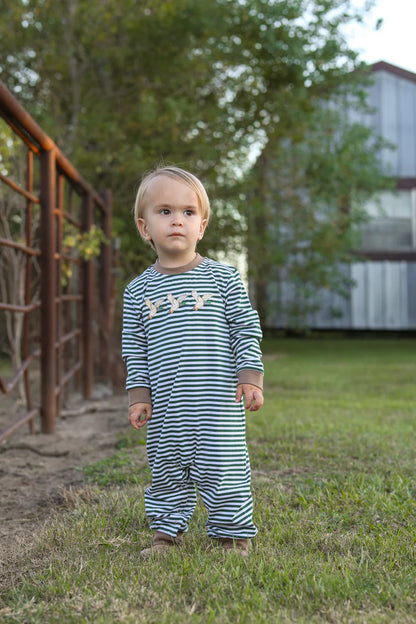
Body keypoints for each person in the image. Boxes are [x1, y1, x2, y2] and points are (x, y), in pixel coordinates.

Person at [122, 165, 264, 557]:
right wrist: (139, 395)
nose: (177, 220)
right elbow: (134, 348)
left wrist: (250, 376)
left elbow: (245, 329)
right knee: (166, 471)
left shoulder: (224, 278)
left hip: (217, 405)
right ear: (145, 227)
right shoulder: (137, 292)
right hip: (167, 408)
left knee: (225, 470)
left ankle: (232, 536)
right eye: (164, 211)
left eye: (187, 212)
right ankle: (166, 535)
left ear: (201, 226)